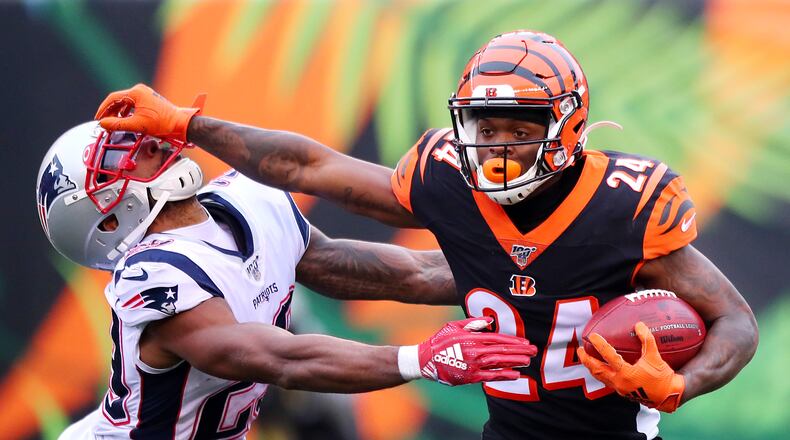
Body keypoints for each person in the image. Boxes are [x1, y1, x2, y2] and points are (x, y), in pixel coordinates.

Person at [95, 30, 759, 440]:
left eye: (521, 128)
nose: (499, 145)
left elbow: (734, 321)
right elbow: (312, 167)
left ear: (571, 127)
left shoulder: (625, 207)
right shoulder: (448, 180)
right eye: (486, 126)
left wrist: (681, 387)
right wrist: (189, 125)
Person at [36, 121, 538, 439]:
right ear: (102, 217)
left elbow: (357, 267)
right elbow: (279, 359)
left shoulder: (245, 201)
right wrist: (418, 359)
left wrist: (524, 270)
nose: (146, 144)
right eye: (120, 155)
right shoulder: (152, 274)